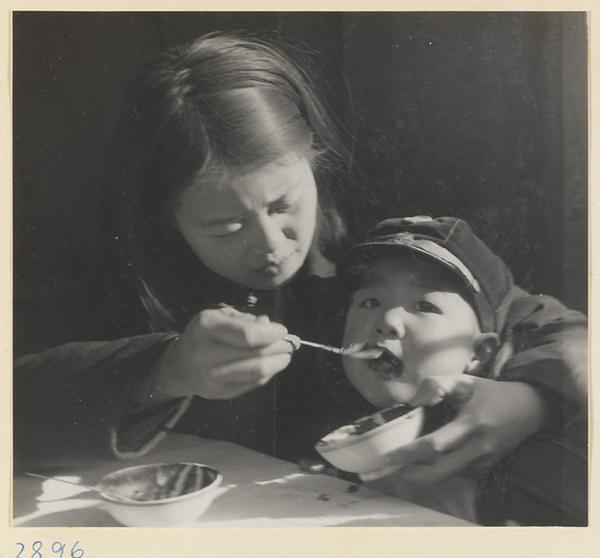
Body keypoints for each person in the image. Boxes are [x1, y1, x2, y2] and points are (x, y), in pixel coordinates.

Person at [14, 32, 586, 509]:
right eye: (225, 228)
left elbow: (561, 331)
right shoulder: (121, 282)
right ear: (167, 217)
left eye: (284, 204)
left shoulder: (373, 254)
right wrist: (166, 370)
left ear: (314, 158)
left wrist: (534, 399)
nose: (271, 245)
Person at [316, 215, 587, 525]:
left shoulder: (532, 442)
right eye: (371, 301)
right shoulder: (329, 395)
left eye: (424, 306)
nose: (388, 321)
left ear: (478, 353)